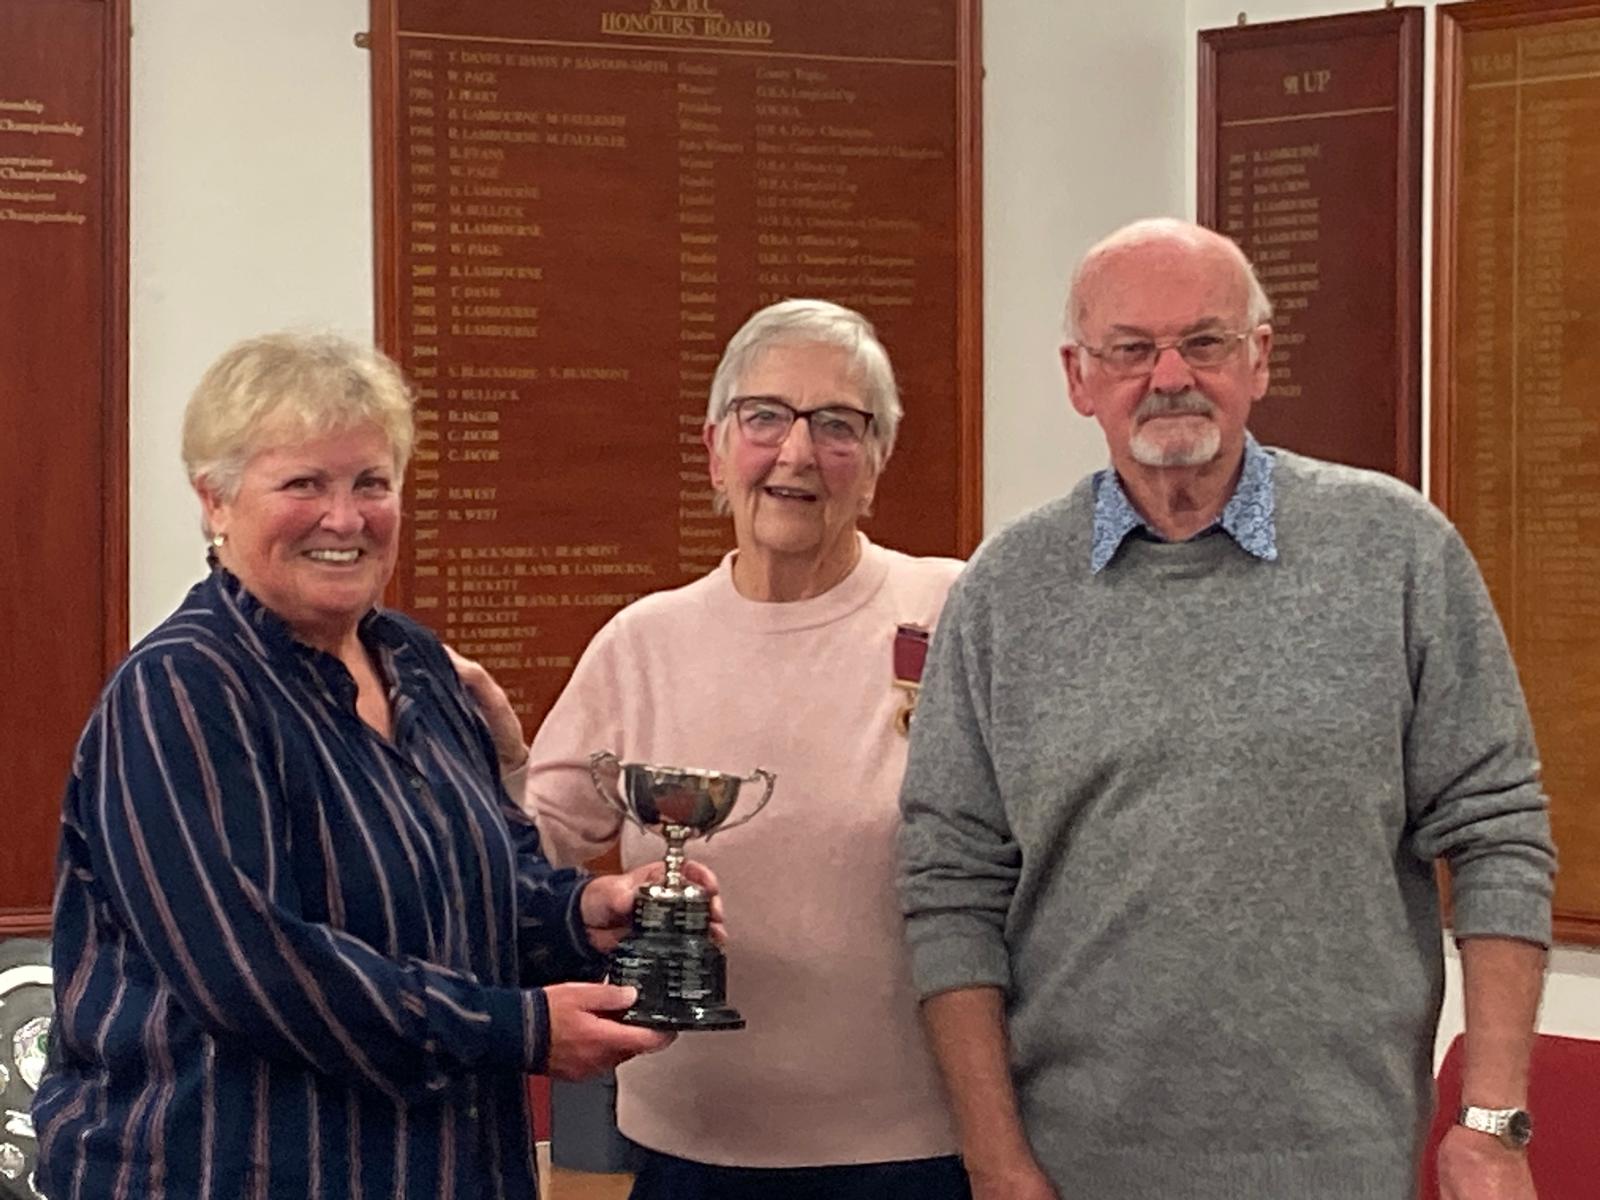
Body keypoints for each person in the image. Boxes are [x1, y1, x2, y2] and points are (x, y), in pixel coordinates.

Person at [896, 218, 1557, 1200]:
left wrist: (1491, 1121)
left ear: (1256, 358)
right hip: (1075, 1173)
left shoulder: (1397, 553)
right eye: (1130, 350)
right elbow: (949, 884)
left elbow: (1498, 831)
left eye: (1203, 343)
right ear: (1080, 378)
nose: (1169, 375)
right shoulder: (1003, 592)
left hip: (1345, 1165)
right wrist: (994, 1160)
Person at [31, 332, 705, 1200]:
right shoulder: (180, 692)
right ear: (215, 501)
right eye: (303, 484)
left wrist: (588, 915)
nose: (344, 518)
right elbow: (255, 973)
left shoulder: (419, 666)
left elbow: (486, 889)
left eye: (370, 483)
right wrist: (516, 1030)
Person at [460, 298, 971, 1199]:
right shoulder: (642, 642)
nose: (798, 453)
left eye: (838, 425)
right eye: (765, 417)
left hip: (914, 1151)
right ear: (716, 450)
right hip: (685, 1155)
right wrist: (500, 763)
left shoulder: (953, 612)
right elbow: (524, 860)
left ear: (878, 461)